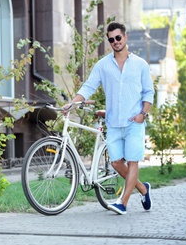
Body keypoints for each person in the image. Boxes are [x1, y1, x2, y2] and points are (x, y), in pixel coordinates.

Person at [63, 22, 154, 215]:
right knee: (116, 163)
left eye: (118, 38)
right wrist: (72, 103)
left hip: (134, 123)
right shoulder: (103, 65)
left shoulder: (140, 65)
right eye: (111, 39)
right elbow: (88, 87)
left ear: (125, 37)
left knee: (133, 161)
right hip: (113, 123)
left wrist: (142, 114)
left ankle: (123, 202)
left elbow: (148, 92)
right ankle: (143, 189)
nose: (115, 42)